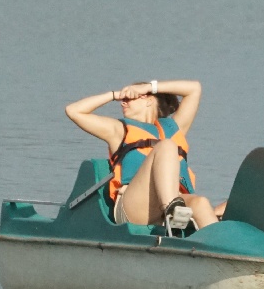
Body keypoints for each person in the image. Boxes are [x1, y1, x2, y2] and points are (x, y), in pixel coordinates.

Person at [64, 80, 218, 229]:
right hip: (133, 207)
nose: (122, 102)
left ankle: (221, 249)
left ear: (149, 100)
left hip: (171, 206)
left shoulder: (175, 128)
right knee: (166, 146)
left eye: (128, 98)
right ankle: (171, 209)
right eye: (122, 99)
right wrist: (113, 95)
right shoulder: (118, 130)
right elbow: (73, 111)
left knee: (201, 203)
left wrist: (148, 86)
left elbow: (194, 89)